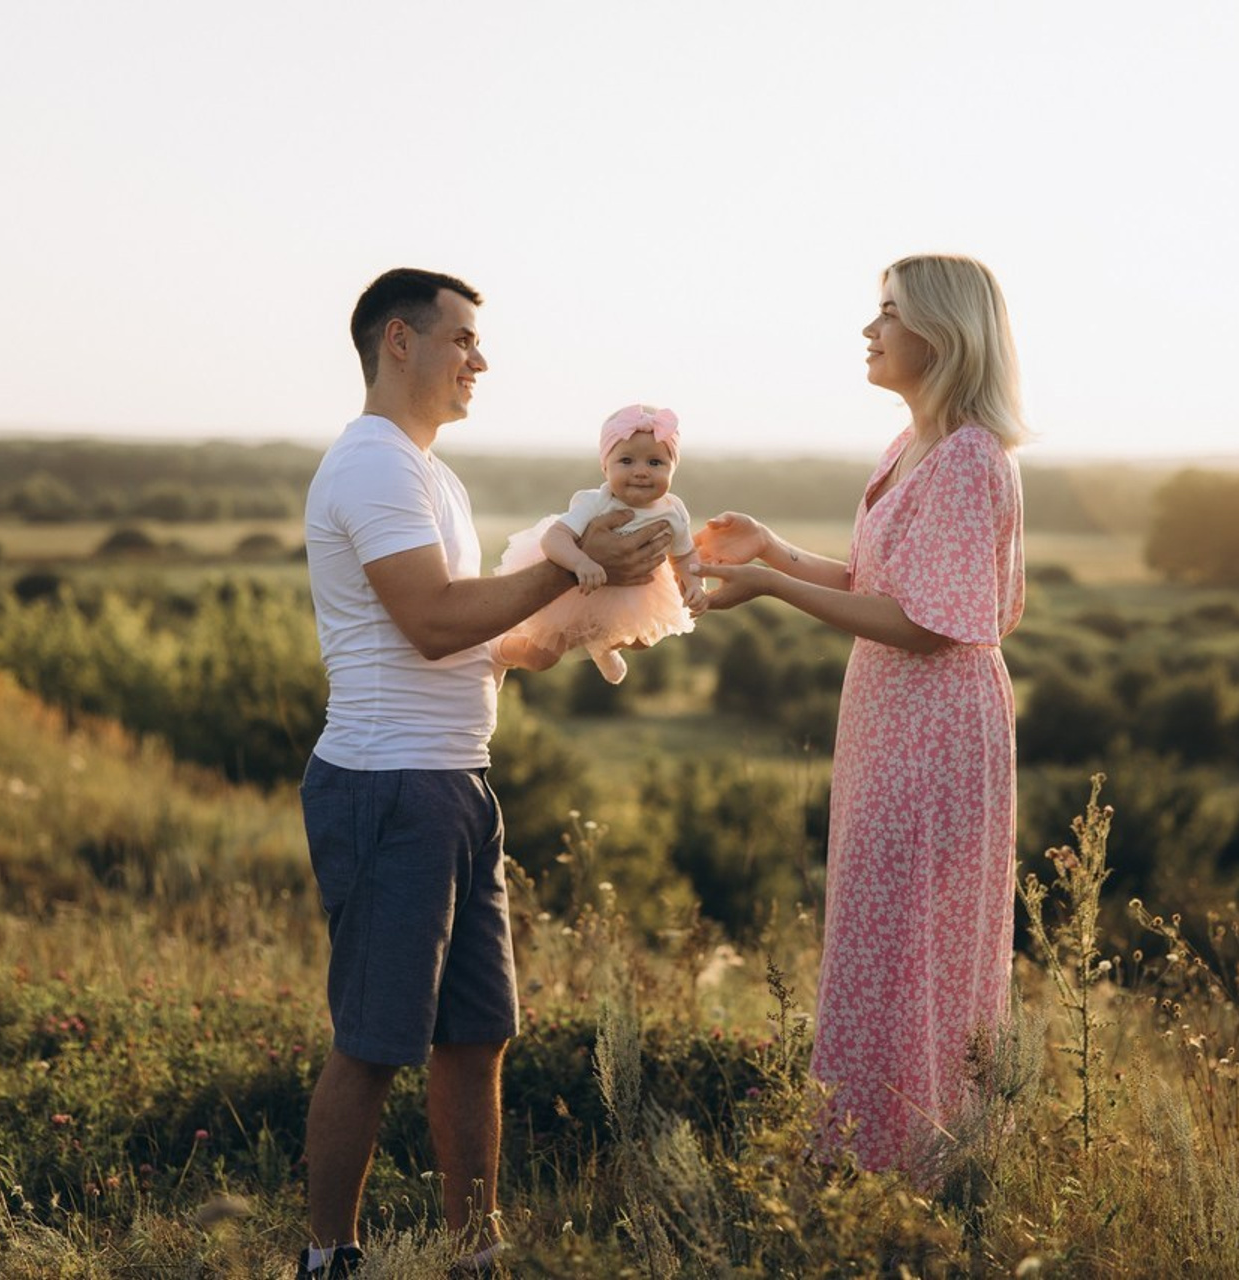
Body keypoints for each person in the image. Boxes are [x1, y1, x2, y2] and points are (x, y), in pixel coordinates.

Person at [297, 268, 672, 1279]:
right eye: (461, 337)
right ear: (397, 341)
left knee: (477, 1033)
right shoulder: (372, 466)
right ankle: (327, 1256)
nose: (479, 358)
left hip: (457, 779)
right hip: (387, 783)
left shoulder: (431, 475)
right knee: (375, 1039)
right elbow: (424, 623)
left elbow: (455, 632)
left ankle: (476, 1251)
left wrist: (528, 641)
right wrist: (572, 566)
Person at [693, 253, 1026, 1174]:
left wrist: (765, 586)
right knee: (882, 947)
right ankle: (871, 1165)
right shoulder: (909, 446)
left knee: (911, 951)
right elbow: (875, 585)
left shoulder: (966, 459)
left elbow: (925, 625)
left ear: (943, 334)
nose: (869, 330)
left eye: (888, 313)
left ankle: (905, 1168)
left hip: (936, 730)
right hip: (890, 724)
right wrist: (774, 552)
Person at [492, 403, 707, 684]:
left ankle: (602, 645)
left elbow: (685, 554)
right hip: (577, 585)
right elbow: (554, 538)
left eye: (655, 462)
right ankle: (497, 647)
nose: (641, 471)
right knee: (541, 656)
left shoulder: (673, 510)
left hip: (633, 589)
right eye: (626, 461)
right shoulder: (596, 501)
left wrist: (694, 585)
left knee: (645, 638)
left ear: (673, 468)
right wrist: (581, 562)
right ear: (605, 466)